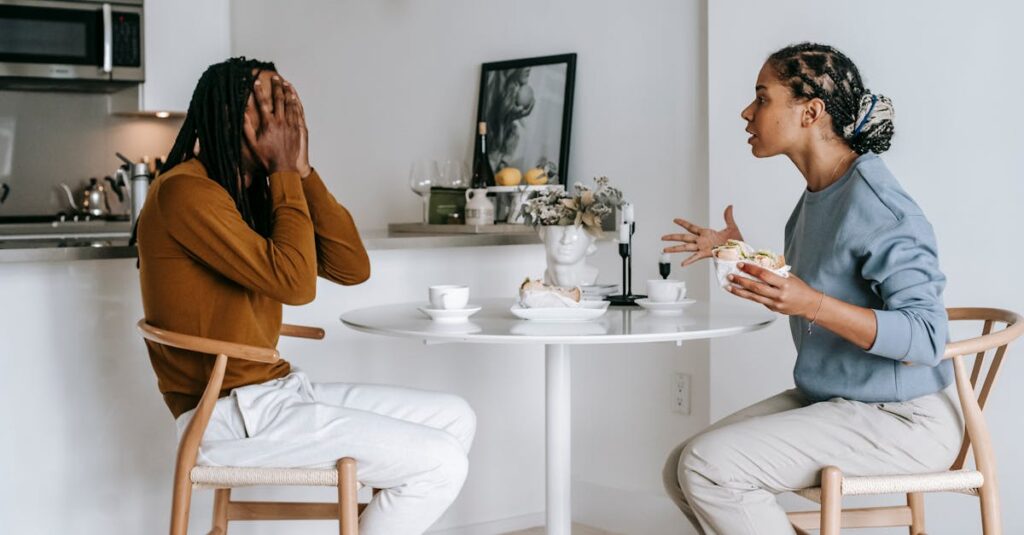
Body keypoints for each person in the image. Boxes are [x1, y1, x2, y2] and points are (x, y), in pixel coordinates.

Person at [136, 57, 475, 535]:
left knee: (455, 419)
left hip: (275, 396)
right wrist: (284, 174)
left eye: (287, 101)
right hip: (226, 417)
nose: (285, 117)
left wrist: (302, 169)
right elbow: (296, 284)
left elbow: (352, 267)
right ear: (229, 114)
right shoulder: (186, 193)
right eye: (268, 104)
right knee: (440, 462)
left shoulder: (248, 191)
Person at [660, 43, 962, 534]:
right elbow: (825, 281)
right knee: (682, 466)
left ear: (810, 112)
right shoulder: (820, 196)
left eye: (762, 98)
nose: (747, 112)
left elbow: (926, 338)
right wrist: (740, 253)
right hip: (838, 400)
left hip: (904, 420)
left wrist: (812, 304)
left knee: (708, 467)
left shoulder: (880, 206)